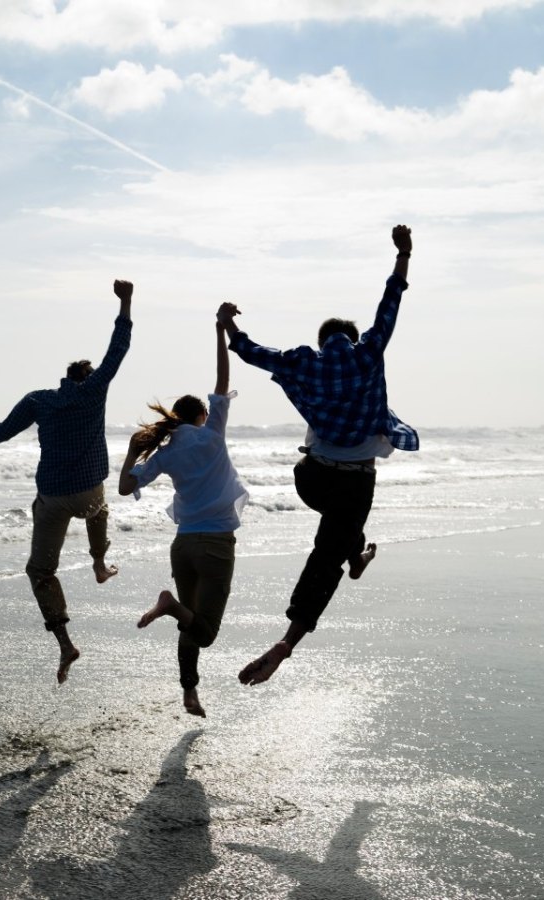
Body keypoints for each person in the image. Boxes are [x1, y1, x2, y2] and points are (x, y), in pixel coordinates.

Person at [219, 224, 418, 685]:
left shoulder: (304, 360)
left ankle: (356, 556)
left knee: (340, 530)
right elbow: (391, 305)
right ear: (350, 337)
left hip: (308, 480)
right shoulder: (369, 353)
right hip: (354, 481)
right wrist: (403, 254)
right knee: (325, 555)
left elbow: (252, 352)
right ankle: (287, 642)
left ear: (323, 337)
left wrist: (228, 323)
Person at [0, 280, 133, 683]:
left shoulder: (39, 400)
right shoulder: (94, 392)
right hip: (88, 494)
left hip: (52, 498)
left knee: (41, 572)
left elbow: (5, 429)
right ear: (88, 377)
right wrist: (125, 301)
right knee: (99, 505)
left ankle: (65, 643)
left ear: (65, 377)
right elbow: (117, 351)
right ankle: (99, 562)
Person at [117, 316, 248, 717]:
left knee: (189, 621)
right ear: (203, 415)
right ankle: (168, 605)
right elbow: (222, 377)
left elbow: (124, 488)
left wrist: (131, 450)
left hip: (184, 546)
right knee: (204, 631)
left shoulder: (166, 452)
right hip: (215, 546)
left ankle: (190, 692)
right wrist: (221, 330)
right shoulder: (212, 435)